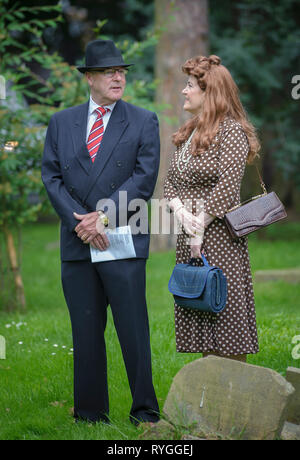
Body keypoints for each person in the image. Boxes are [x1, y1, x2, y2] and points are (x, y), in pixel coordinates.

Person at [41, 39, 160, 425]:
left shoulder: (144, 120)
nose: (117, 77)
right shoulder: (61, 122)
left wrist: (102, 217)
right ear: (89, 78)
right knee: (86, 331)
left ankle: (145, 412)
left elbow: (143, 180)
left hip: (122, 238)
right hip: (77, 239)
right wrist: (81, 222)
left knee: (133, 331)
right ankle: (91, 415)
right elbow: (51, 175)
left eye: (122, 72)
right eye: (109, 72)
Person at [164, 54, 260, 362]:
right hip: (189, 234)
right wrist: (181, 213)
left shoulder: (231, 131)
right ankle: (206, 394)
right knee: (201, 309)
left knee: (223, 312)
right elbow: (169, 184)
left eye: (190, 85)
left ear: (210, 93)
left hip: (218, 236)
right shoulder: (189, 132)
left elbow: (228, 187)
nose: (184, 91)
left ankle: (234, 395)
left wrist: (199, 227)